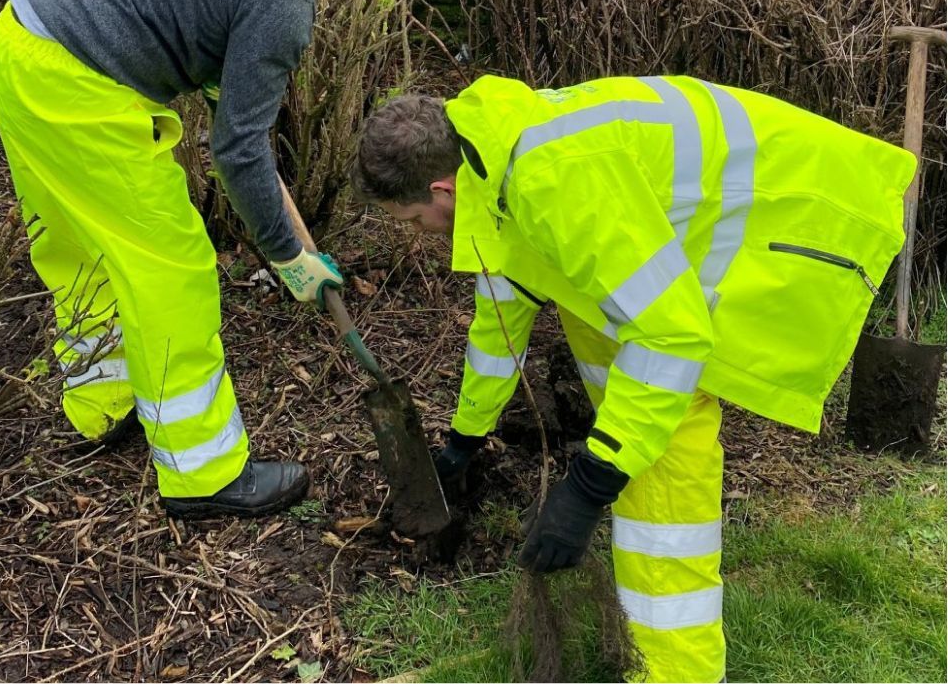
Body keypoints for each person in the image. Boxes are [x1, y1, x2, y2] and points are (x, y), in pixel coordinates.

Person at [352, 74, 913, 684]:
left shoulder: (557, 183)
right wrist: (463, 441)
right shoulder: (490, 154)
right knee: (626, 404)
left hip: (797, 214)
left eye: (411, 218)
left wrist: (590, 485)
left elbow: (670, 337)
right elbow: (499, 320)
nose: (416, 232)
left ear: (442, 189)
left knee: (663, 469)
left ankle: (681, 672)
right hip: (683, 253)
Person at [0, 0, 422, 521]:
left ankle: (100, 406)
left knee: (81, 246)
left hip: (22, 40)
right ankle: (204, 473)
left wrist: (246, 137)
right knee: (173, 263)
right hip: (80, 84)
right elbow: (238, 151)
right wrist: (291, 257)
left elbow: (228, 94)